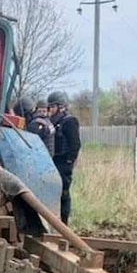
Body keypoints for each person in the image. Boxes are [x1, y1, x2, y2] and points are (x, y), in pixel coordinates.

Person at [47, 91, 81, 225]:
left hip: (64, 162)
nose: (50, 110)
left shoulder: (69, 121)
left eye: (52, 107)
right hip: (55, 161)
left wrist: (69, 160)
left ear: (60, 107)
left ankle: (64, 222)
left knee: (64, 193)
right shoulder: (54, 122)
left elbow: (75, 144)